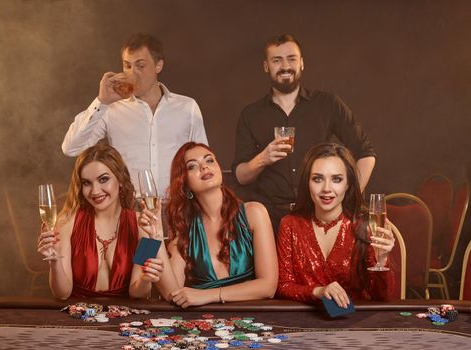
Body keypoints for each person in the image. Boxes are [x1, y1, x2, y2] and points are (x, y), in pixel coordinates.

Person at [233, 34, 376, 234]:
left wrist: (348, 197)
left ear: (302, 63)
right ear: (266, 66)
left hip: (317, 215)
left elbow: (365, 153)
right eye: (277, 60)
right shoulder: (251, 114)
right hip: (270, 220)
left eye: (291, 58)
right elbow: (241, 176)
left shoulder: (328, 104)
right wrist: (262, 159)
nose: (285, 66)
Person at [62, 33, 208, 200]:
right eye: (127, 66)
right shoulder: (110, 108)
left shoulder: (187, 107)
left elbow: (202, 161)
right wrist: (101, 101)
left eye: (140, 66)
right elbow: (71, 148)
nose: (133, 74)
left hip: (179, 209)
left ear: (158, 66)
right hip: (129, 210)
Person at [138, 142, 278, 308]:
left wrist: (207, 295)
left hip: (251, 319)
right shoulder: (182, 229)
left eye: (209, 160)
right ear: (184, 183)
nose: (204, 167)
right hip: (203, 323)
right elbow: (169, 294)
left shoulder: (255, 213)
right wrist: (157, 237)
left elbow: (268, 287)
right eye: (192, 166)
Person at [37, 143, 163, 299]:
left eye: (103, 179)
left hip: (124, 318)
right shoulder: (67, 222)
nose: (95, 191)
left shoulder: (143, 225)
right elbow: (62, 294)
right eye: (87, 183)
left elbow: (136, 293)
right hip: (78, 317)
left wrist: (145, 280)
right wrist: (54, 261)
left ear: (121, 179)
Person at [276, 143, 395, 307]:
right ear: (307, 183)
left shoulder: (364, 226)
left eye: (336, 179)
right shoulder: (289, 224)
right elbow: (283, 286)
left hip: (355, 325)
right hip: (305, 323)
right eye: (317, 179)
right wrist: (319, 291)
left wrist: (381, 259)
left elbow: (384, 297)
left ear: (348, 184)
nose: (326, 188)